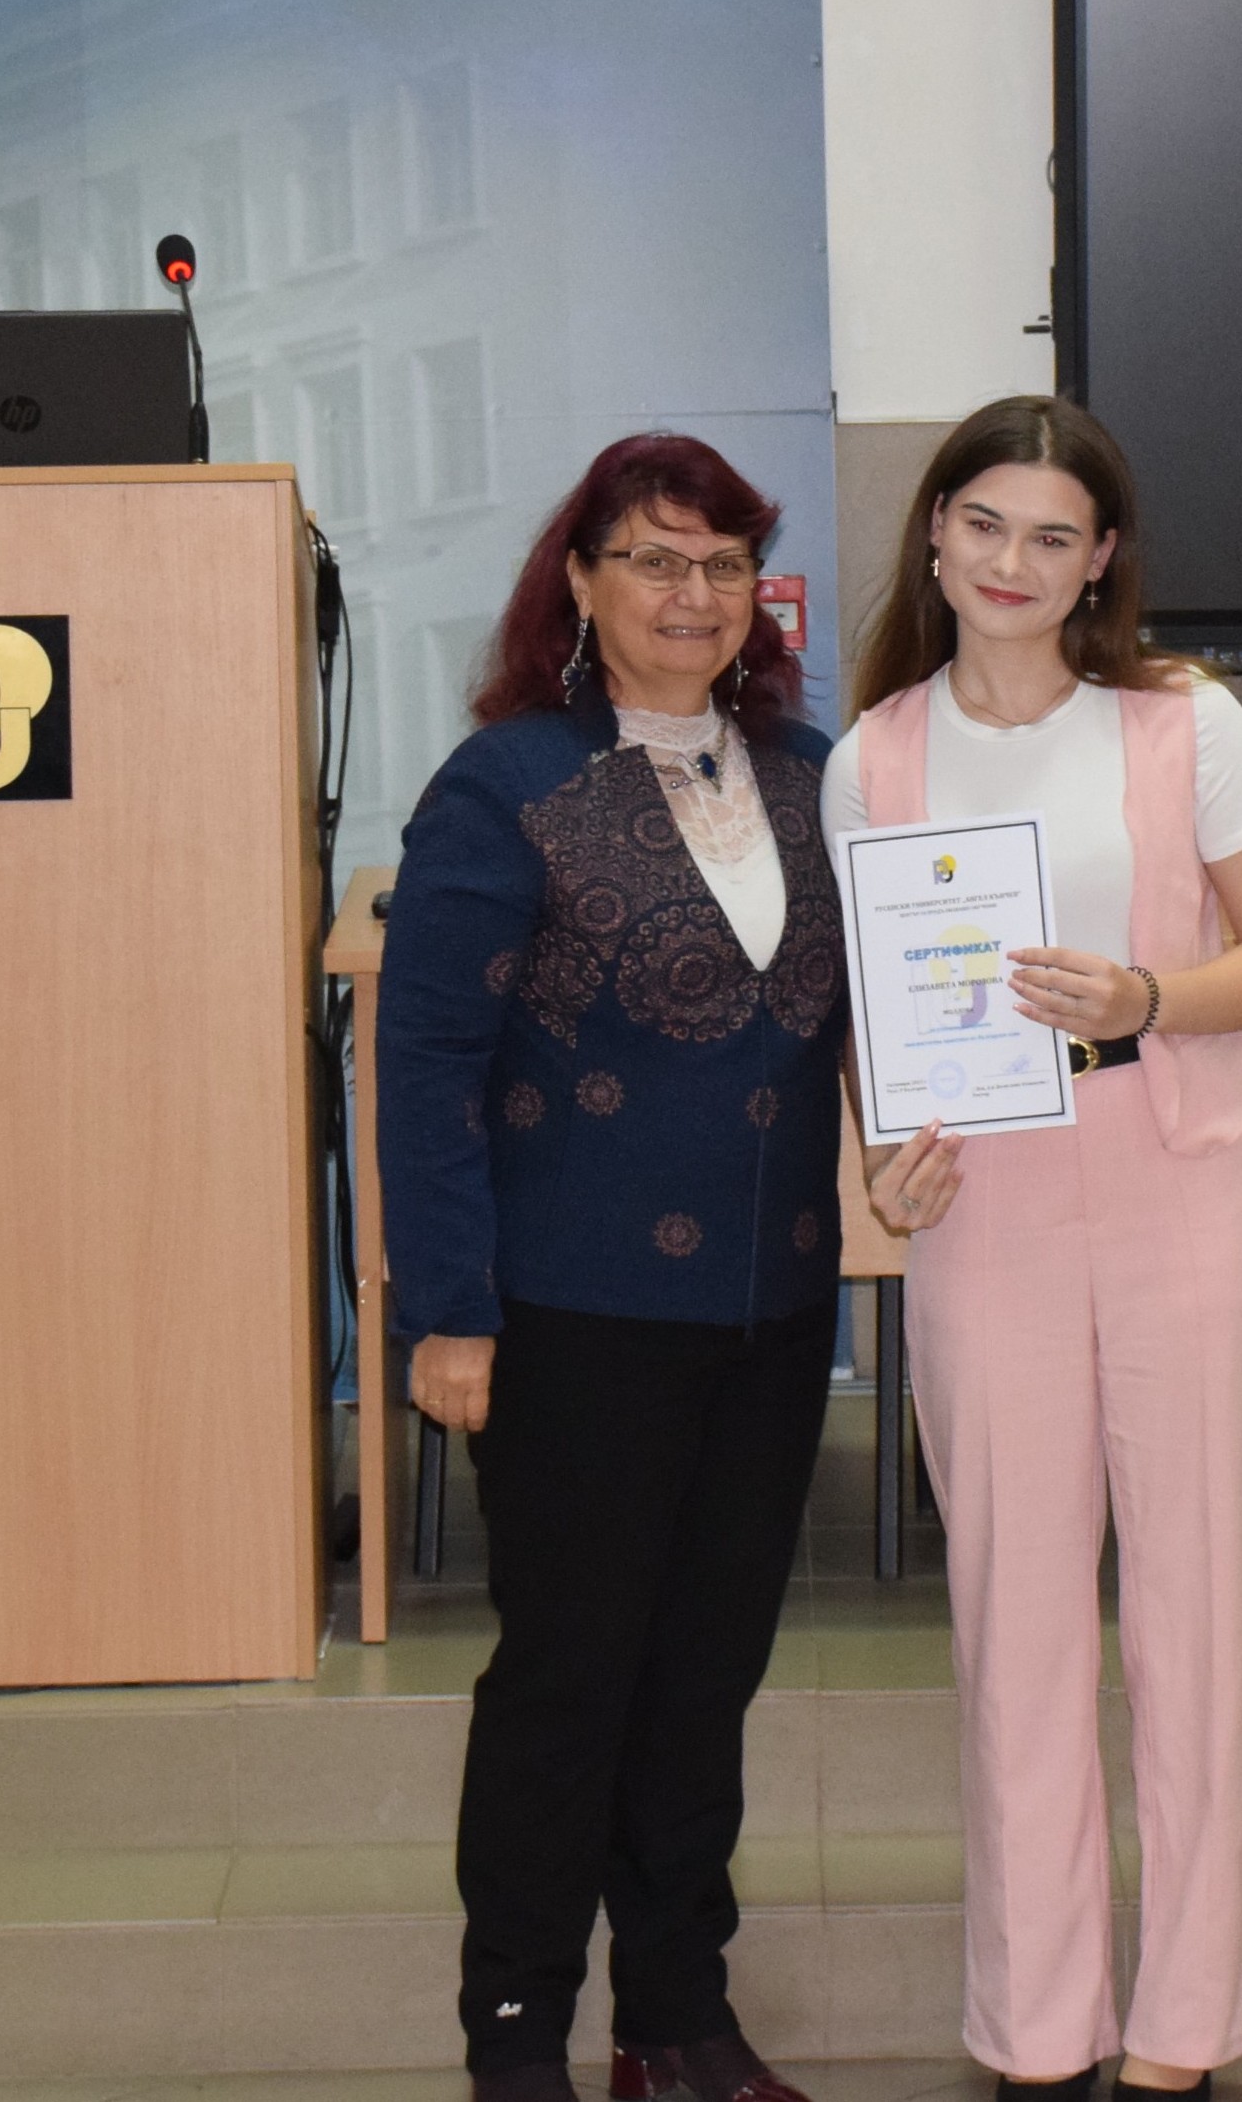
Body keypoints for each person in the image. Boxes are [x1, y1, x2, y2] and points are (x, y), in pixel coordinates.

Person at [824, 395, 1242, 2100]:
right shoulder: (874, 753)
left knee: (1196, 1628)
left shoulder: (1184, 721)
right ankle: (1037, 2034)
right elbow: (878, 1013)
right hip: (987, 1215)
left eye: (1053, 535)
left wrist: (1147, 995)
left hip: (1179, 1183)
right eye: (984, 523)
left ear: (1100, 558)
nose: (1012, 562)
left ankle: (1183, 2033)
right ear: (935, 530)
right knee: (1014, 1635)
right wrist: (884, 1159)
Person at [380, 435, 857, 2102]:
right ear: (579, 581)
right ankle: (516, 2033)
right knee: (568, 1684)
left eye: (723, 562)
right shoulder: (505, 782)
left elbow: (874, 1009)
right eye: (655, 558)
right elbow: (426, 1064)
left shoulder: (812, 775)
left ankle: (677, 2015)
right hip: (570, 1318)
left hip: (772, 1308)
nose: (692, 593)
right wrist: (446, 1309)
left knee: (706, 1678)